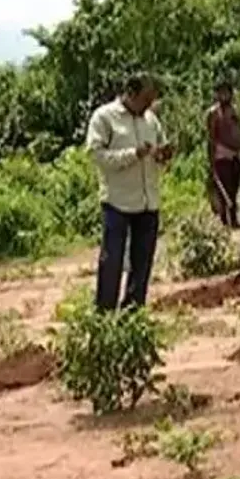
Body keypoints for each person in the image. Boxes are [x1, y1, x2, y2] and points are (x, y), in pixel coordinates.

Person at [86, 74, 172, 311]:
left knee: (142, 263)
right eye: (145, 99)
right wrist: (133, 154)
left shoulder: (150, 119)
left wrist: (163, 155)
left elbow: (159, 149)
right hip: (118, 202)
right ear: (130, 94)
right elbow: (97, 156)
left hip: (148, 202)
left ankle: (132, 314)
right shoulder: (104, 117)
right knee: (112, 261)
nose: (149, 105)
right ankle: (104, 315)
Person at [206, 80, 240, 227]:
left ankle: (234, 219)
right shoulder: (213, 113)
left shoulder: (235, 110)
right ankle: (224, 221)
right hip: (221, 155)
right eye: (221, 92)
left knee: (235, 188)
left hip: (236, 155)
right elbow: (211, 139)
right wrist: (211, 164)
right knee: (225, 189)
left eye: (227, 92)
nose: (224, 95)